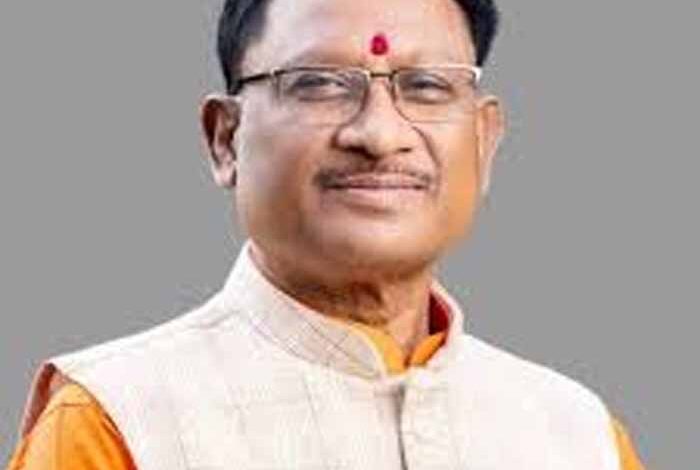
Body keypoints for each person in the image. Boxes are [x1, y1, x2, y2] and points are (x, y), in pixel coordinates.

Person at [7, 0, 646, 468]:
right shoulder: (120, 420)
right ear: (225, 139)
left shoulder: (575, 434)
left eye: (426, 86)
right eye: (318, 85)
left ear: (484, 140)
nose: (379, 134)